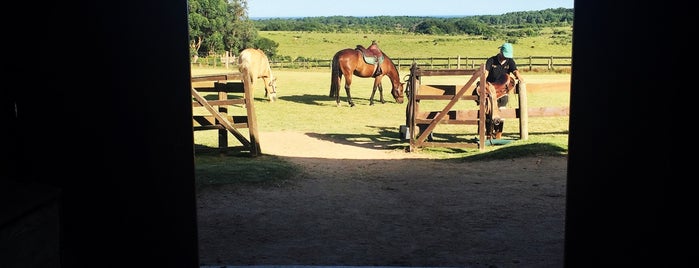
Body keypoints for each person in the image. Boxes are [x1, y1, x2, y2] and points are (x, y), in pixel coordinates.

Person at [473, 42, 525, 139]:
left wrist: (520, 78)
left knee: (502, 112)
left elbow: (515, 71)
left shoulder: (510, 61)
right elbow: (486, 73)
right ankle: (487, 133)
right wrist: (482, 81)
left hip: (503, 90)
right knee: (487, 111)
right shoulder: (491, 60)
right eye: (505, 55)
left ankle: (498, 134)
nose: (506, 58)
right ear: (500, 51)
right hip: (490, 88)